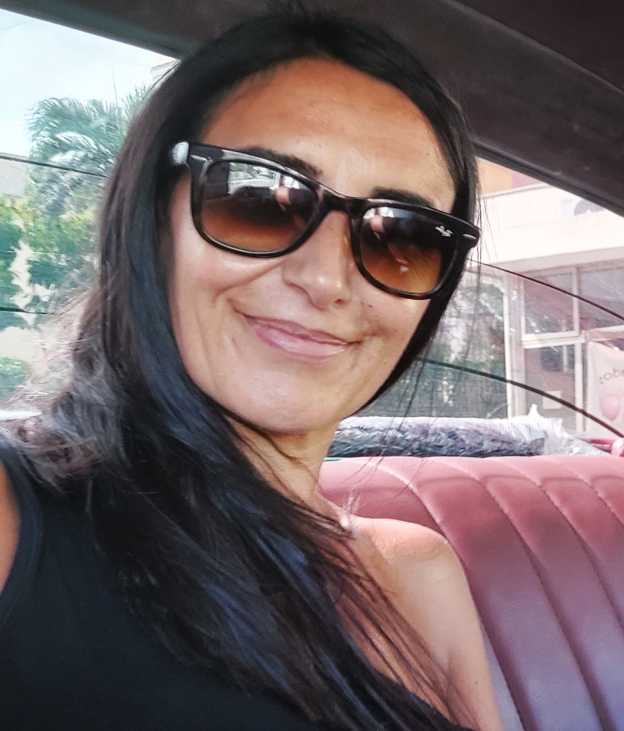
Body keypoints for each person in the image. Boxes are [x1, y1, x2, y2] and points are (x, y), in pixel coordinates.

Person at [0, 10, 504, 731]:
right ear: (154, 220)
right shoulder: (18, 517)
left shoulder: (421, 574)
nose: (327, 279)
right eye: (260, 199)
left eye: (403, 235)